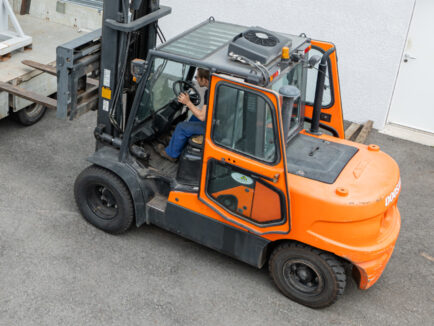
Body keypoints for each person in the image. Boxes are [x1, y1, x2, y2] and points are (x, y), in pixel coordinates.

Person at [155, 68, 210, 162]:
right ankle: (177, 143)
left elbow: (202, 116)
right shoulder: (214, 88)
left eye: (197, 77)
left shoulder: (208, 93)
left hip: (211, 129)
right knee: (193, 118)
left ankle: (171, 154)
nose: (196, 79)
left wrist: (187, 102)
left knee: (181, 127)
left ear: (204, 80)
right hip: (216, 123)